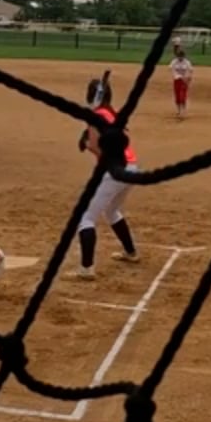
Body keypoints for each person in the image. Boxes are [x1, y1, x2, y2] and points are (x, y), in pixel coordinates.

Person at [75, 72, 140, 280]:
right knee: (112, 210)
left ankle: (86, 269)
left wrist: (88, 145)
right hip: (131, 167)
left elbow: (97, 148)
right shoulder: (113, 114)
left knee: (85, 218)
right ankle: (131, 252)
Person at [169, 45, 193, 118]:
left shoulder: (187, 62)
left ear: (184, 56)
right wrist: (177, 75)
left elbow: (191, 70)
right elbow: (171, 68)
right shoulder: (174, 61)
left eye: (181, 56)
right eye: (179, 56)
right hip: (177, 81)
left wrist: (188, 77)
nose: (180, 57)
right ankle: (178, 110)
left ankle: (183, 111)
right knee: (177, 96)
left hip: (184, 81)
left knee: (182, 96)